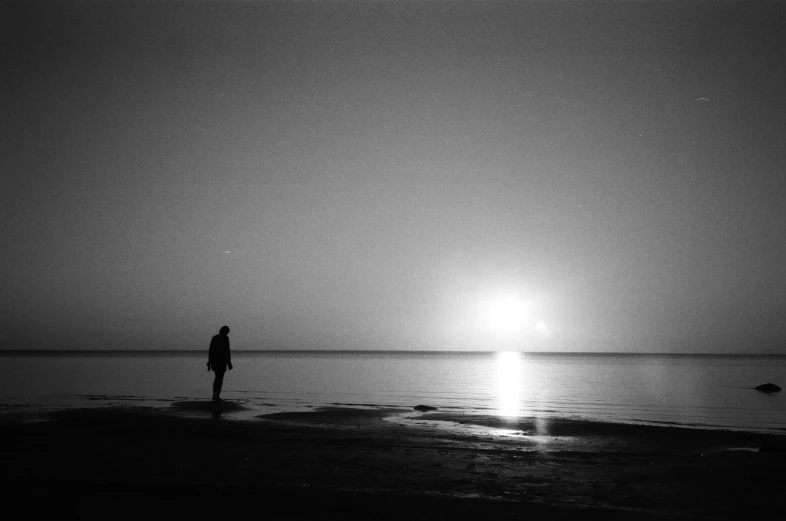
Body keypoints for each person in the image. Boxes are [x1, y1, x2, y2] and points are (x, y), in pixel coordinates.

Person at [207, 325, 233, 401]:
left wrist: (229, 362)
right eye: (226, 332)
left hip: (221, 361)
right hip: (218, 361)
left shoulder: (220, 338)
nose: (227, 334)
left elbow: (227, 350)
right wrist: (210, 362)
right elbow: (211, 351)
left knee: (218, 378)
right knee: (219, 378)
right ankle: (216, 395)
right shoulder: (219, 338)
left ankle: (216, 395)